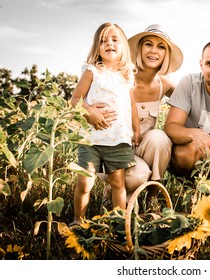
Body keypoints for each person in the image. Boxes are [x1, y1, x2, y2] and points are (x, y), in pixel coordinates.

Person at [100, 24, 183, 206]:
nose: (154, 51)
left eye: (161, 47)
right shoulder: (121, 78)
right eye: (148, 44)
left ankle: (151, 198)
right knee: (139, 173)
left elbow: (189, 103)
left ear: (166, 55)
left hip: (143, 149)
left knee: (160, 139)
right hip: (116, 150)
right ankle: (112, 200)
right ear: (139, 48)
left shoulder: (165, 85)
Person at [70, 22, 140, 225]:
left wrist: (136, 129)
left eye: (114, 39)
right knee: (85, 181)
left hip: (118, 138)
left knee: (118, 182)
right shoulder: (92, 71)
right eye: (103, 41)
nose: (109, 43)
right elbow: (75, 100)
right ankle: (78, 220)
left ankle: (119, 223)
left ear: (124, 47)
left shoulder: (127, 77)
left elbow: (132, 105)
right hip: (91, 138)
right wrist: (90, 112)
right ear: (97, 48)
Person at [164, 40, 210, 178]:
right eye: (209, 64)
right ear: (201, 64)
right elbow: (171, 127)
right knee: (182, 153)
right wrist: (195, 134)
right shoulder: (190, 83)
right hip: (197, 155)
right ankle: (191, 191)